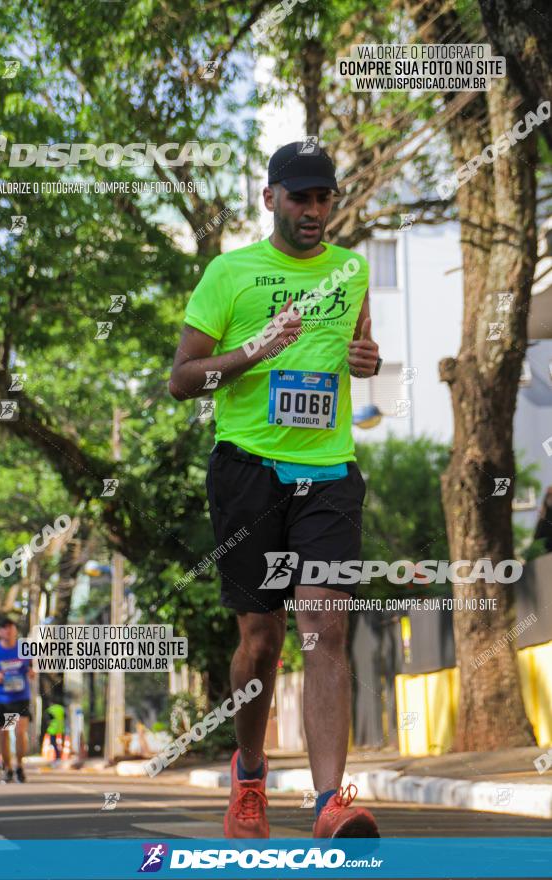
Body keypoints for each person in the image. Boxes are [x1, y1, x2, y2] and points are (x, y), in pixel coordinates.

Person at [169, 142, 382, 839]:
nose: (313, 209)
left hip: (327, 471)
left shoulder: (351, 270)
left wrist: (368, 360)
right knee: (260, 641)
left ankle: (328, 804)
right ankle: (251, 775)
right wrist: (255, 349)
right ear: (269, 199)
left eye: (322, 196)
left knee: (324, 629)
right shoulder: (229, 274)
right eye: (299, 196)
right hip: (248, 473)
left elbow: (362, 349)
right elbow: (182, 378)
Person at [0, 618, 35, 783]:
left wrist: (32, 672)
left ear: (15, 631)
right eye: (4, 628)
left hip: (20, 697)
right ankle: (8, 768)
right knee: (3, 734)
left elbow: (33, 666)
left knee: (20, 732)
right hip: (1, 699)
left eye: (11, 628)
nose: (8, 631)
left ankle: (19, 766)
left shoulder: (23, 648)